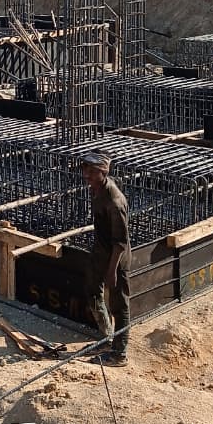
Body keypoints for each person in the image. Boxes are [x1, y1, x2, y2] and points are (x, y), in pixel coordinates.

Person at [80, 151, 131, 367]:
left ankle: (119, 354)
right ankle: (106, 339)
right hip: (101, 253)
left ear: (103, 172)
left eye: (92, 172)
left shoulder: (114, 201)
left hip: (115, 260)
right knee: (93, 292)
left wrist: (112, 271)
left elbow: (120, 242)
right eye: (86, 171)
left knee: (119, 305)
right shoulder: (97, 190)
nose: (87, 176)